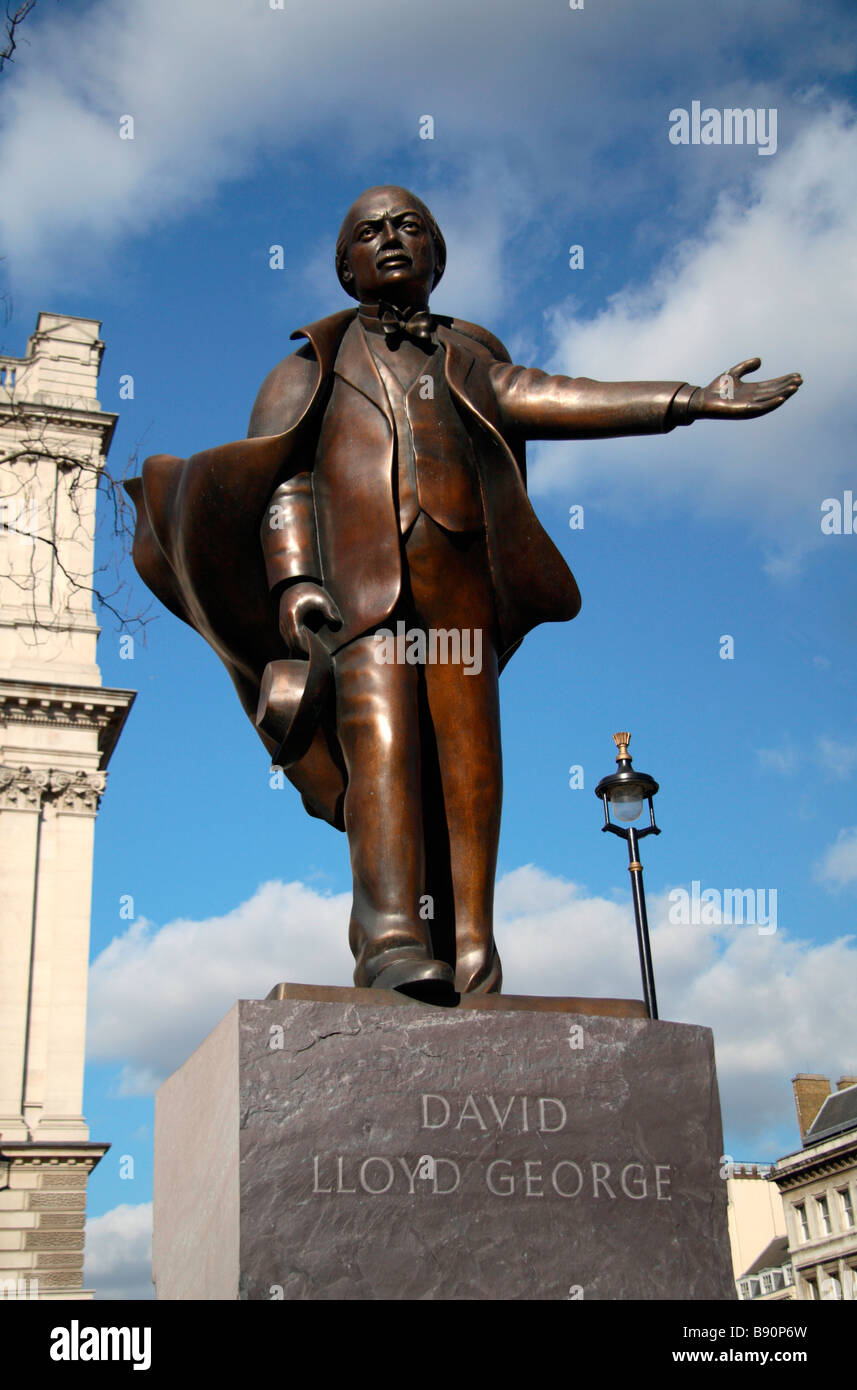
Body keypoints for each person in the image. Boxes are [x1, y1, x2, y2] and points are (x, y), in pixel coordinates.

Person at [126, 184, 801, 1003]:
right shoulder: (310, 365)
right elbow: (282, 484)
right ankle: (391, 939)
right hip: (359, 600)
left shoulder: (470, 356)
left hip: (460, 596)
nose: (391, 240)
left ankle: (473, 942)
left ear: (438, 257)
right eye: (369, 232)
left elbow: (554, 395)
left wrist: (688, 401)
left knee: (471, 769)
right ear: (345, 266)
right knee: (383, 749)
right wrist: (297, 580)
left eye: (410, 227)